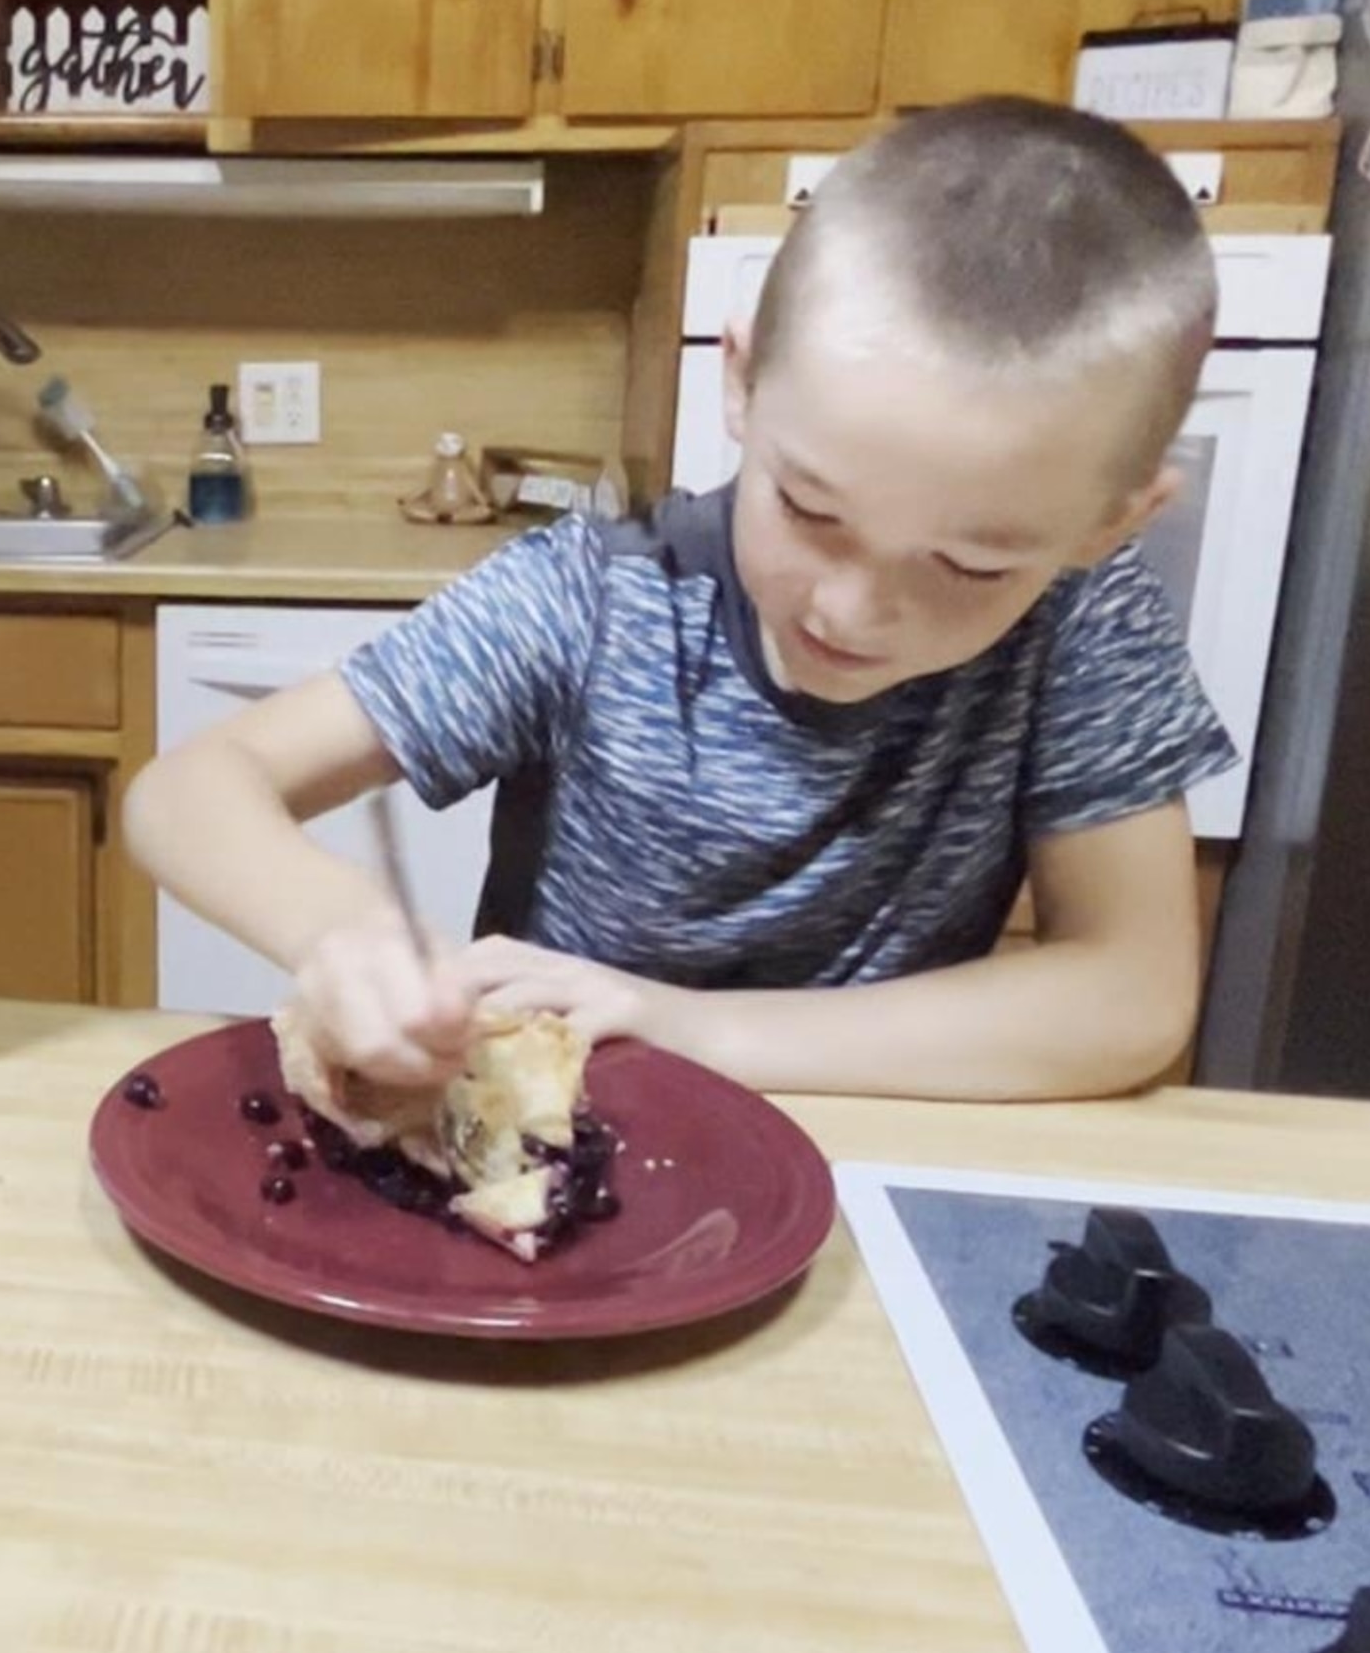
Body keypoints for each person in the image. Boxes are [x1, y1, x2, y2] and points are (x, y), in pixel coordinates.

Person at [124, 97, 1238, 1104]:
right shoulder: (595, 598)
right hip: (561, 1167)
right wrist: (343, 935)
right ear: (741, 382)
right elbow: (187, 791)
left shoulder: (1086, 616)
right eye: (809, 507)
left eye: (970, 567)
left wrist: (692, 1028)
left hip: (856, 1173)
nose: (851, 611)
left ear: (1112, 524)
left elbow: (1133, 998)